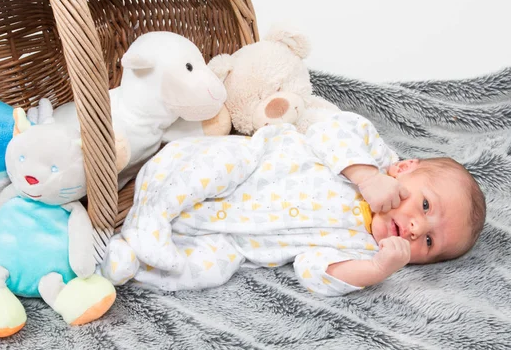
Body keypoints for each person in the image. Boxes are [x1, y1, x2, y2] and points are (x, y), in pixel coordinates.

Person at [98, 111, 486, 296]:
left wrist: (377, 267)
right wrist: (367, 176)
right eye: (424, 206)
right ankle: (152, 217)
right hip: (230, 173)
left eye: (430, 244)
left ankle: (131, 260)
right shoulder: (372, 153)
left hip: (229, 238)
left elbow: (313, 272)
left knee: (213, 268)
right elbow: (326, 127)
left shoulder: (361, 247)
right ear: (405, 168)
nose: (418, 229)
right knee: (226, 162)